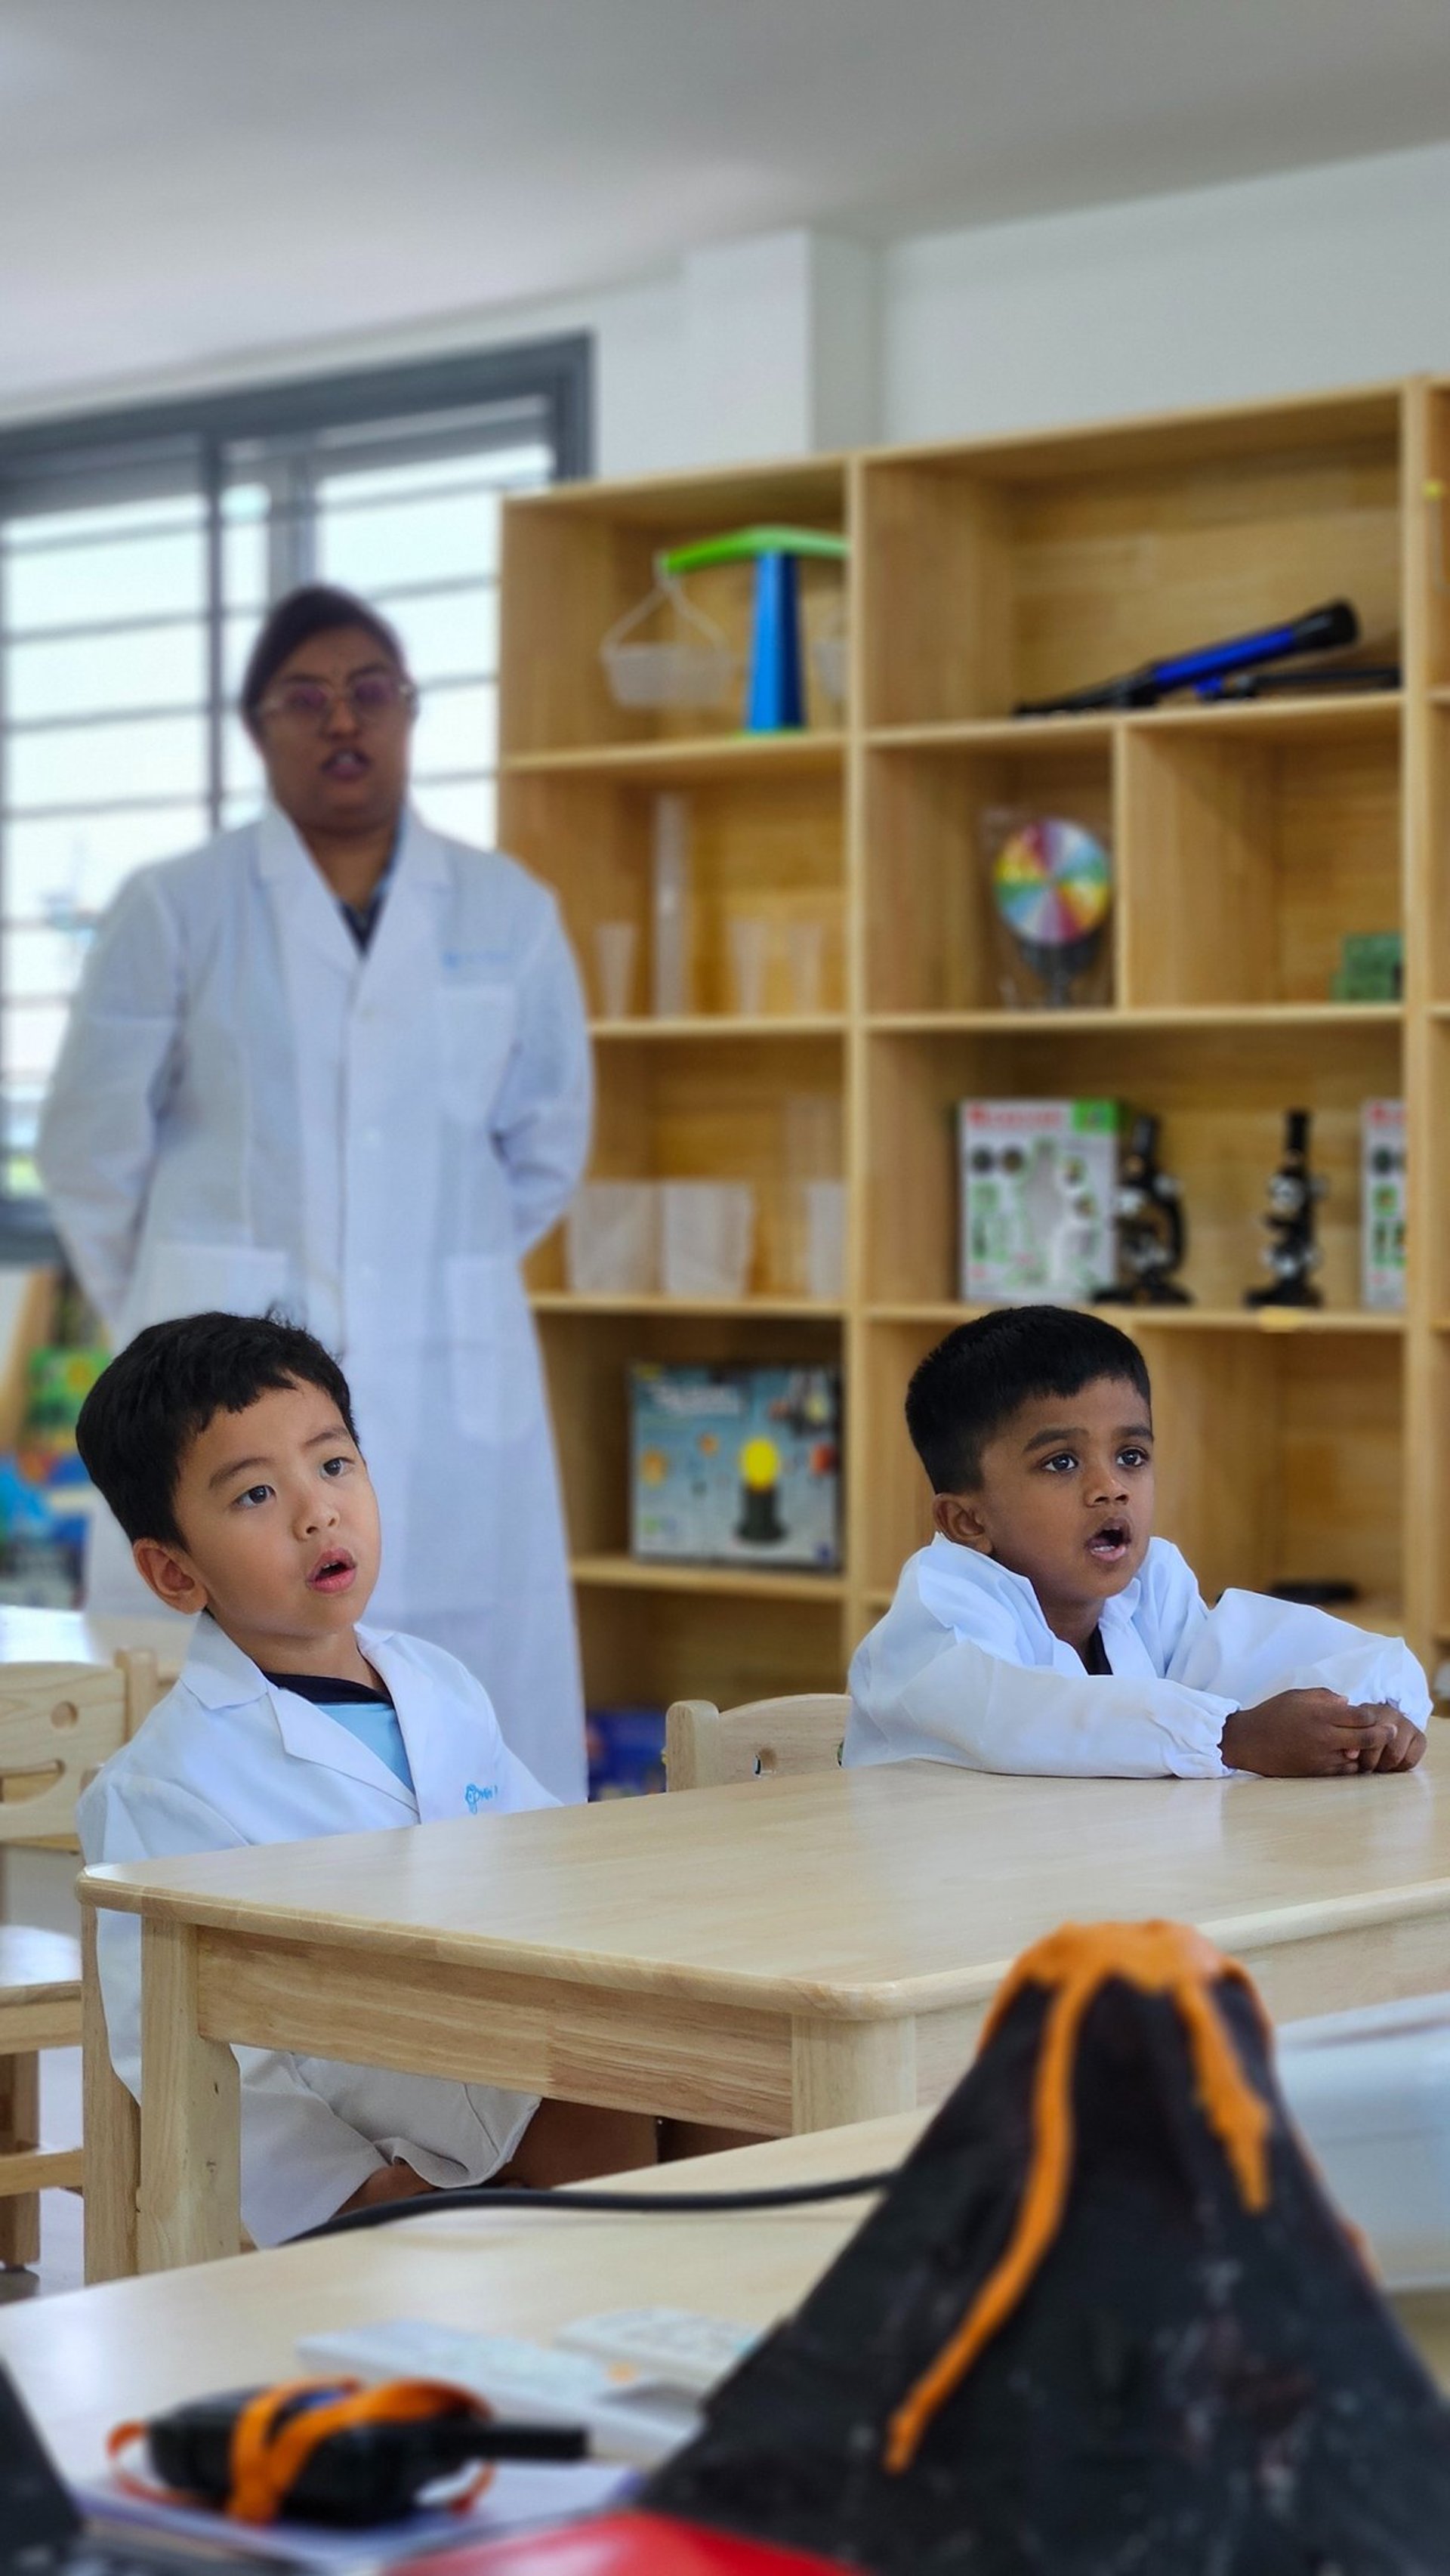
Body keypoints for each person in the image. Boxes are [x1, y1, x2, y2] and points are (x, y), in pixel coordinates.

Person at [39, 584, 588, 1801]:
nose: (344, 719)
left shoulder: (505, 911)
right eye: (306, 695)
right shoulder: (174, 907)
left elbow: (547, 1142)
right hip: (225, 1379)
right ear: (259, 726)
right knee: (199, 1753)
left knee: (481, 1744)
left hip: (451, 1393)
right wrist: (186, 1301)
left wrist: (442, 1260)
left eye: (372, 691)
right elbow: (88, 1147)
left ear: (408, 715)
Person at [74, 1311, 655, 2247]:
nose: (318, 1511)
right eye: (257, 1493)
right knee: (603, 2102)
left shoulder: (438, 1684)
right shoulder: (163, 1787)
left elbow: (558, 1855)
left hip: (514, 2045)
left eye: (335, 1464)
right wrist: (351, 2190)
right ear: (174, 1571)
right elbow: (181, 2047)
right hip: (392, 2126)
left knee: (743, 2087)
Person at [846, 1305, 1430, 1778]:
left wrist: (1371, 1719)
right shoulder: (938, 1620)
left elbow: (1262, 1653)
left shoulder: (1150, 1585)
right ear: (967, 1522)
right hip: (950, 1903)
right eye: (1061, 1462)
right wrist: (1230, 1738)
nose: (1110, 1489)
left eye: (1132, 1456)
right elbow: (1020, 1718)